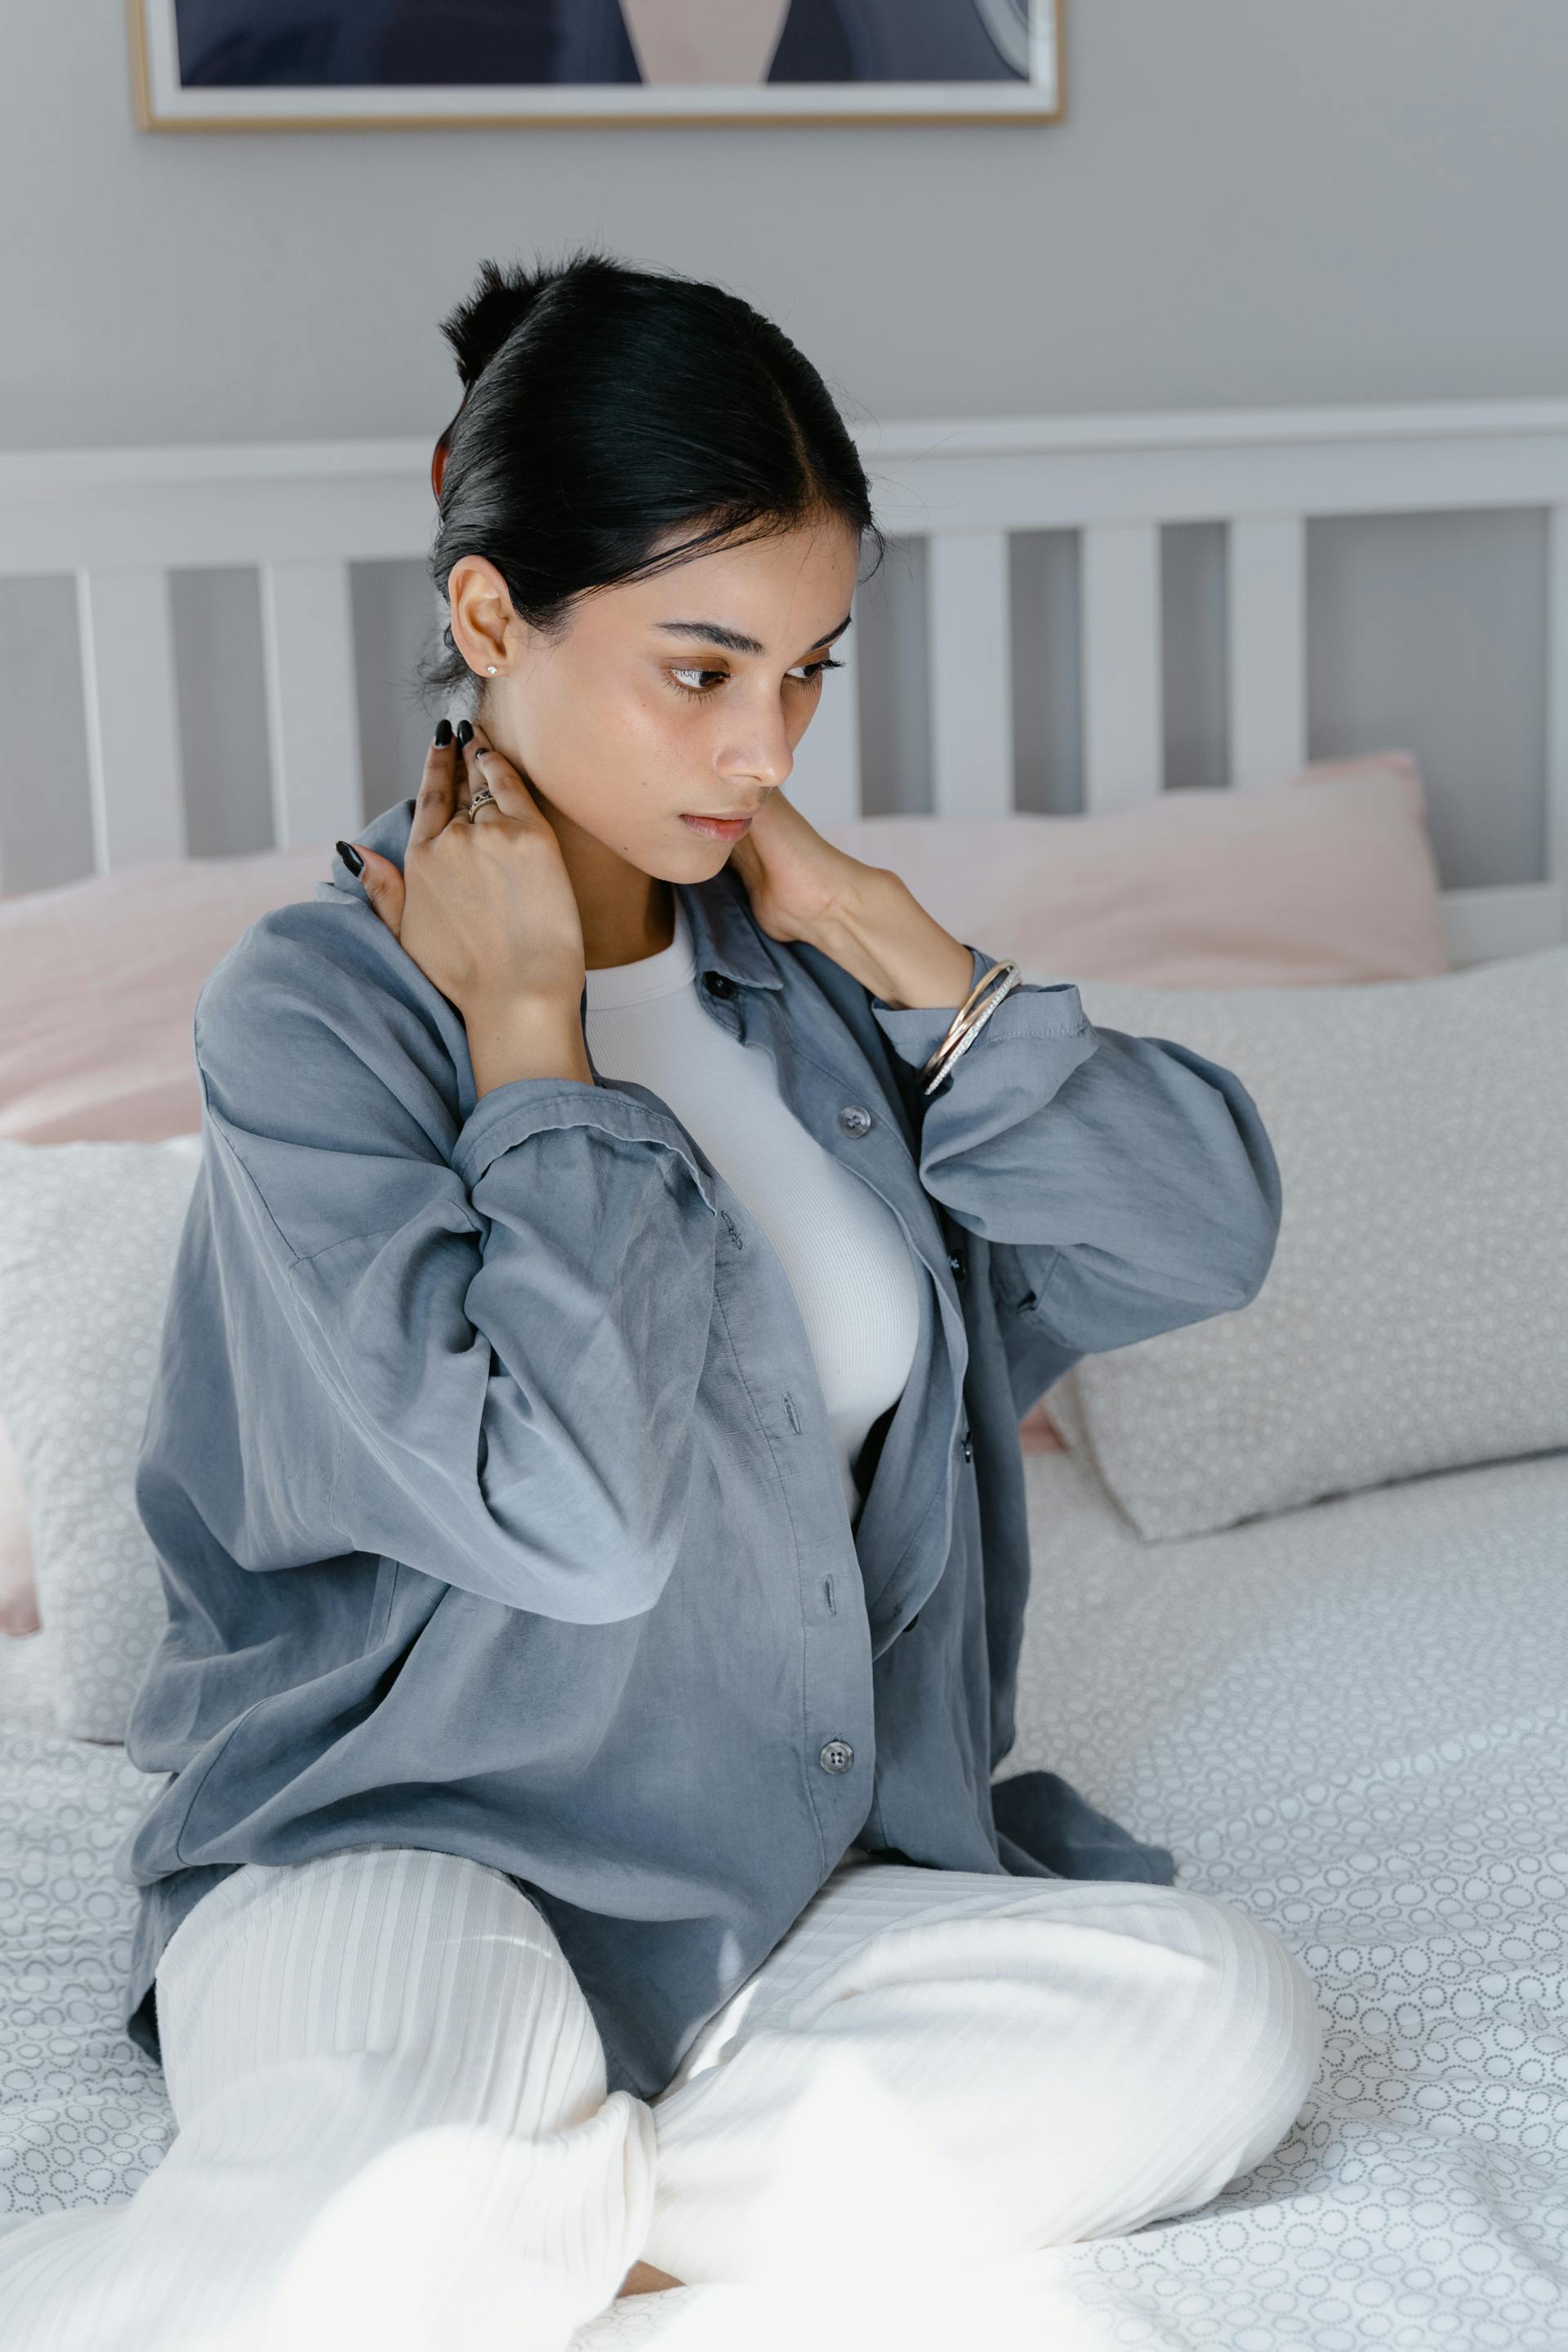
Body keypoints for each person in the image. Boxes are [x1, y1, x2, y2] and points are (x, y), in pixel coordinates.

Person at [0, 248, 1324, 2350]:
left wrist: (912, 954)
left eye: (810, 672)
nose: (763, 744)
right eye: (700, 670)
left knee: (1215, 2019)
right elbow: (578, 1517)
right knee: (393, 2205)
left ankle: (519, 2216)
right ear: (489, 615)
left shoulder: (804, 979)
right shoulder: (318, 1019)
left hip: (787, 1881)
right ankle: (467, 2196)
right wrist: (536, 1033)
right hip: (399, 1847)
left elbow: (1200, 1239)